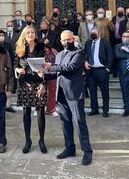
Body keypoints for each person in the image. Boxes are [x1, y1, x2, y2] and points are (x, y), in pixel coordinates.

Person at [41, 30, 93, 166]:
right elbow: (57, 72)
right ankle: (70, 148)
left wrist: (51, 67)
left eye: (68, 39)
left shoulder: (79, 53)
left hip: (74, 93)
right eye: (63, 40)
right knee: (65, 122)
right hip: (61, 93)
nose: (66, 42)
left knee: (79, 122)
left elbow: (70, 67)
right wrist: (44, 74)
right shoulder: (58, 55)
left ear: (73, 39)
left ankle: (87, 151)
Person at [14, 26, 47, 154]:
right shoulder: (19, 49)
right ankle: (28, 141)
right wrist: (18, 70)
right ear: (24, 34)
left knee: (40, 113)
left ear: (35, 34)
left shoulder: (41, 47)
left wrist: (44, 84)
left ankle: (42, 140)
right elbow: (15, 65)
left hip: (39, 83)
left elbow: (45, 66)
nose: (31, 34)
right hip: (25, 84)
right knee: (26, 113)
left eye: (32, 32)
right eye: (28, 32)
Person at [84, 27, 113, 117]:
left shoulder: (105, 42)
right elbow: (84, 55)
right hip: (91, 71)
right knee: (92, 91)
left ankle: (105, 110)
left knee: (104, 91)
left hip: (102, 70)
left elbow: (110, 56)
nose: (93, 34)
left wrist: (107, 69)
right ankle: (94, 109)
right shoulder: (88, 43)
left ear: (99, 33)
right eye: (91, 32)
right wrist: (84, 62)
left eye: (95, 32)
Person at [0, 30, 16, 113]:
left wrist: (10, 67)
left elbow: (11, 56)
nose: (1, 37)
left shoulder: (8, 45)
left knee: (9, 88)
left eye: (2, 35)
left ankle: (8, 106)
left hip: (7, 69)